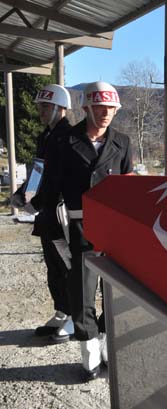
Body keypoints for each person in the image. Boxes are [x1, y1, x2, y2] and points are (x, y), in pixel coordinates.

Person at [44, 81, 133, 381]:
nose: (106, 113)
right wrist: (54, 233)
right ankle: (88, 346)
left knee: (113, 288)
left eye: (111, 108)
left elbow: (129, 185)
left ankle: (106, 339)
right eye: (100, 107)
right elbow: (50, 190)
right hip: (78, 225)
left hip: (114, 228)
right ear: (86, 108)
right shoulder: (64, 142)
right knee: (81, 288)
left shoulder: (122, 142)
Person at [12, 84, 74, 342]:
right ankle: (62, 312)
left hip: (62, 213)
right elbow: (39, 172)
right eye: (40, 107)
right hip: (47, 213)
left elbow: (60, 179)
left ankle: (74, 316)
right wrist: (23, 193)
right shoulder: (46, 136)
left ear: (60, 108)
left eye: (46, 107)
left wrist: (36, 202)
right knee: (53, 265)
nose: (41, 111)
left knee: (66, 265)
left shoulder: (69, 137)